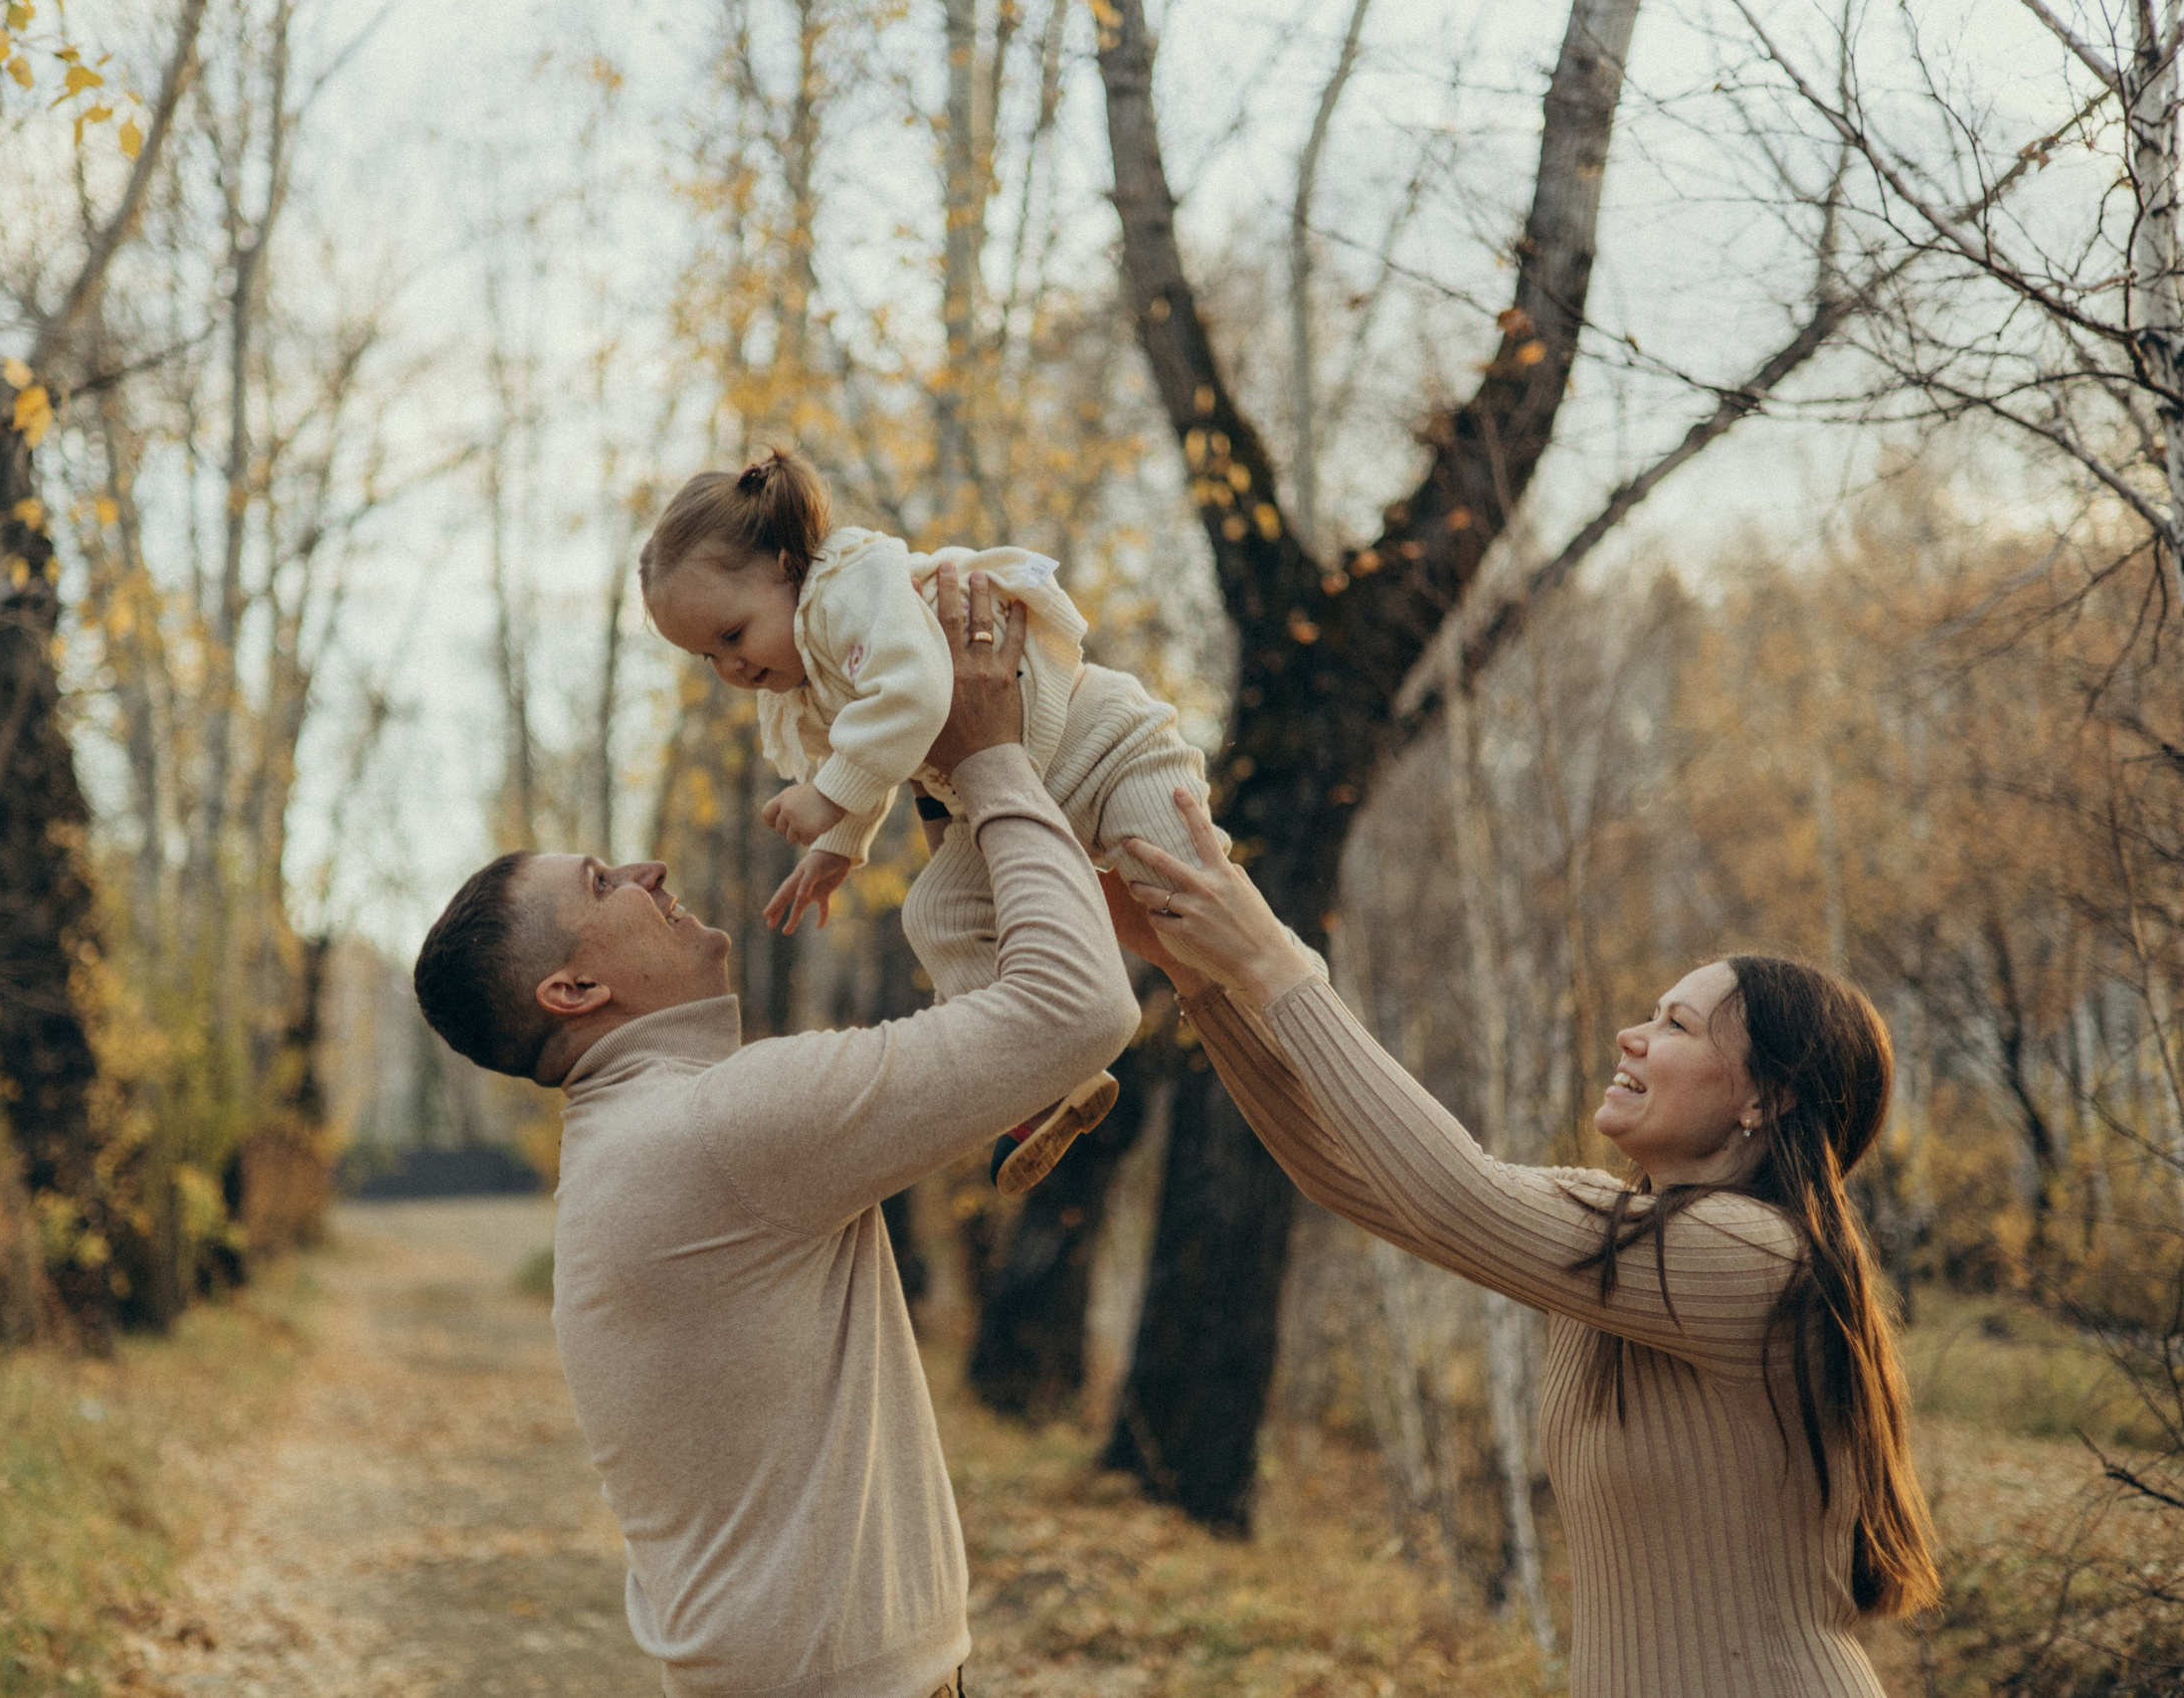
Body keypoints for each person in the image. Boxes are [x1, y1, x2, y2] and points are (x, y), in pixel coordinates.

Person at [412, 567, 1140, 1698]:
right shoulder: (722, 1132)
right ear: (570, 991)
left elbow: (999, 1034)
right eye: (605, 882)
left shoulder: (665, 1138)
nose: (648, 871)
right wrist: (994, 754)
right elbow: (1077, 1013)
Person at [1105, 788, 1941, 1698]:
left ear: (1767, 1099)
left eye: (1677, 1025)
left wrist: (1274, 963)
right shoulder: (1626, 1237)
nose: (1633, 1033)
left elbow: (1452, 1191)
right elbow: (1351, 1172)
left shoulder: (1757, 1258)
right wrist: (1196, 979)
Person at [637, 446, 1209, 1194]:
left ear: (784, 566)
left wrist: (829, 796)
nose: (733, 670)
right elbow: (876, 747)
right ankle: (1045, 1083)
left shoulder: (851, 586)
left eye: (734, 634)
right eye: (708, 656)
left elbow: (914, 694)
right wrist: (838, 847)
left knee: (1191, 899)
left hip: (1097, 740)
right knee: (935, 914)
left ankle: (1280, 978)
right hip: (1013, 794)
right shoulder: (806, 663)